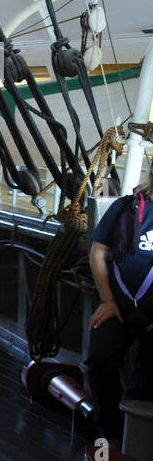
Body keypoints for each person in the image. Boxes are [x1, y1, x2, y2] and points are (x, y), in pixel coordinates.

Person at [86, 177, 153, 442]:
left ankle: (138, 435)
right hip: (117, 306)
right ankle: (109, 430)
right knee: (99, 359)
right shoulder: (125, 208)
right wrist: (108, 301)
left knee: (149, 374)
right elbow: (97, 254)